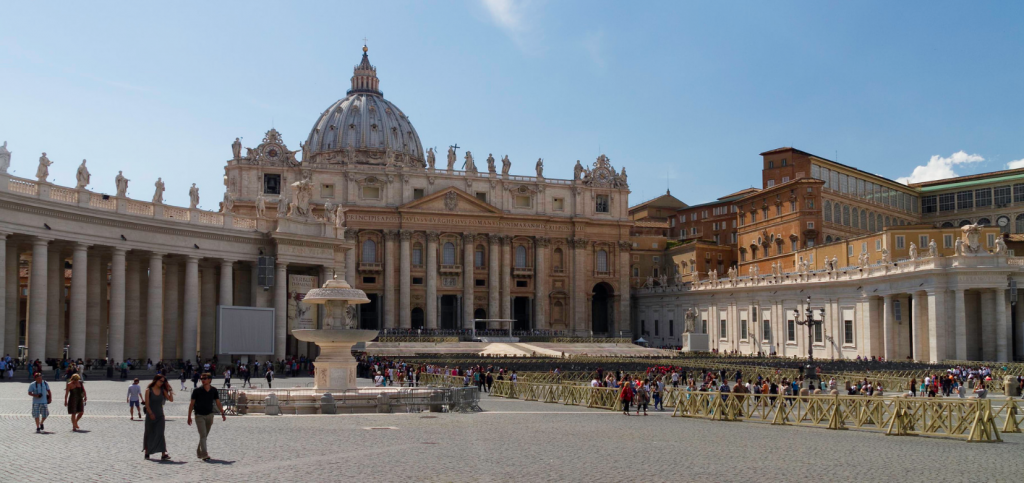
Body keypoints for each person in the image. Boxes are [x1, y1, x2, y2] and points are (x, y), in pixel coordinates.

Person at [187, 373, 225, 461]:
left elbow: (218, 403)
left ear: (209, 380)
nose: (203, 380)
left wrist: (222, 413)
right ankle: (204, 454)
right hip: (199, 415)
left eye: (205, 378)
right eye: (201, 378)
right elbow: (191, 404)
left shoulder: (214, 390)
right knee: (203, 435)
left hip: (210, 415)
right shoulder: (197, 391)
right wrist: (189, 416)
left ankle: (199, 450)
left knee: (204, 435)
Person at [143, 374, 174, 460]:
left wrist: (170, 390)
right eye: (160, 381)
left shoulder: (162, 390)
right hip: (150, 415)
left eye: (163, 381)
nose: (161, 383)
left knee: (160, 433)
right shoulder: (148, 390)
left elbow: (171, 399)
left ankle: (163, 454)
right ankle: (147, 452)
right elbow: (147, 404)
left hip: (160, 415)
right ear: (155, 380)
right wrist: (150, 413)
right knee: (149, 433)